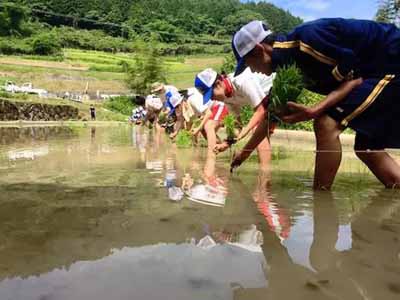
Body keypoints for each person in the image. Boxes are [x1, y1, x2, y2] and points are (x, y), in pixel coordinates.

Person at [230, 19, 400, 189]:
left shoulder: (307, 40)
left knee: (326, 123)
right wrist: (243, 155)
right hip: (373, 73)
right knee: (367, 148)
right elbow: (270, 116)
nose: (251, 70)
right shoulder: (288, 71)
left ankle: (321, 203)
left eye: (247, 63)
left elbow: (355, 78)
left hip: (390, 60)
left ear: (260, 50)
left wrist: (315, 110)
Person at [194, 68, 275, 165]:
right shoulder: (227, 99)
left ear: (219, 84)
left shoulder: (241, 80)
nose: (212, 99)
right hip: (268, 99)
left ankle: (264, 175)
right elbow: (238, 126)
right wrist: (226, 144)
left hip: (277, 87)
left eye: (211, 94)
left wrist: (245, 132)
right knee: (260, 130)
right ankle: (264, 172)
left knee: (258, 128)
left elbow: (260, 110)